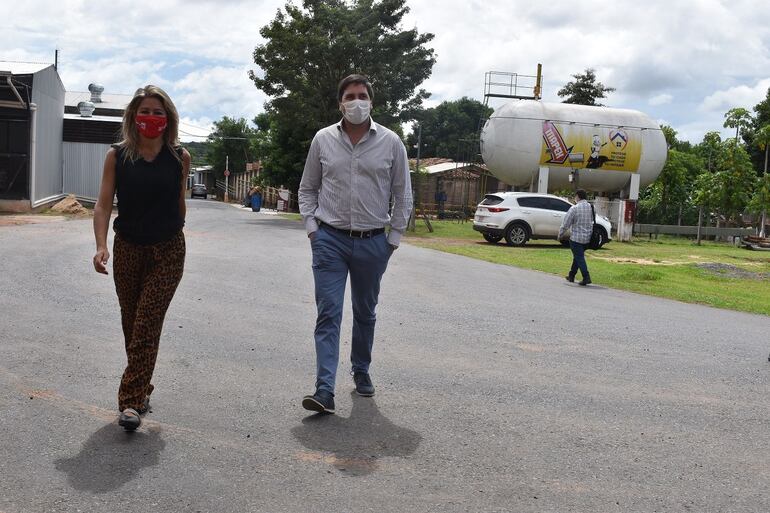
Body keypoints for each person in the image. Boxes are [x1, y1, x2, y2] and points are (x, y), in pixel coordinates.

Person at [298, 74, 412, 414]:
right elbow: (307, 189)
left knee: (365, 312)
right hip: (329, 239)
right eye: (350, 96)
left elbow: (403, 195)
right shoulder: (322, 140)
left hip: (373, 242)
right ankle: (324, 389)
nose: (356, 101)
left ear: (371, 102)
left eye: (362, 95)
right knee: (328, 313)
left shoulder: (392, 143)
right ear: (340, 103)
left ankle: (361, 369)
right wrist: (312, 231)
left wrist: (392, 240)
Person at [92, 85, 190, 430]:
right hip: (129, 249)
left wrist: (175, 225)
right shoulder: (117, 156)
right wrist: (101, 245)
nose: (151, 118)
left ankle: (131, 403)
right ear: (134, 116)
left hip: (168, 249)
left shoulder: (180, 157)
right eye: (145, 111)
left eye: (158, 112)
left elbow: (180, 202)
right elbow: (103, 205)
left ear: (168, 119)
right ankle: (143, 386)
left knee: (147, 324)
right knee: (131, 325)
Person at [558, 189, 594, 286]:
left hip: (576, 238)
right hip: (587, 238)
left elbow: (566, 223)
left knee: (579, 257)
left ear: (577, 196)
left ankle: (586, 277)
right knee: (578, 256)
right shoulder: (591, 207)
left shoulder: (574, 208)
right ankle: (571, 275)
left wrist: (560, 234)